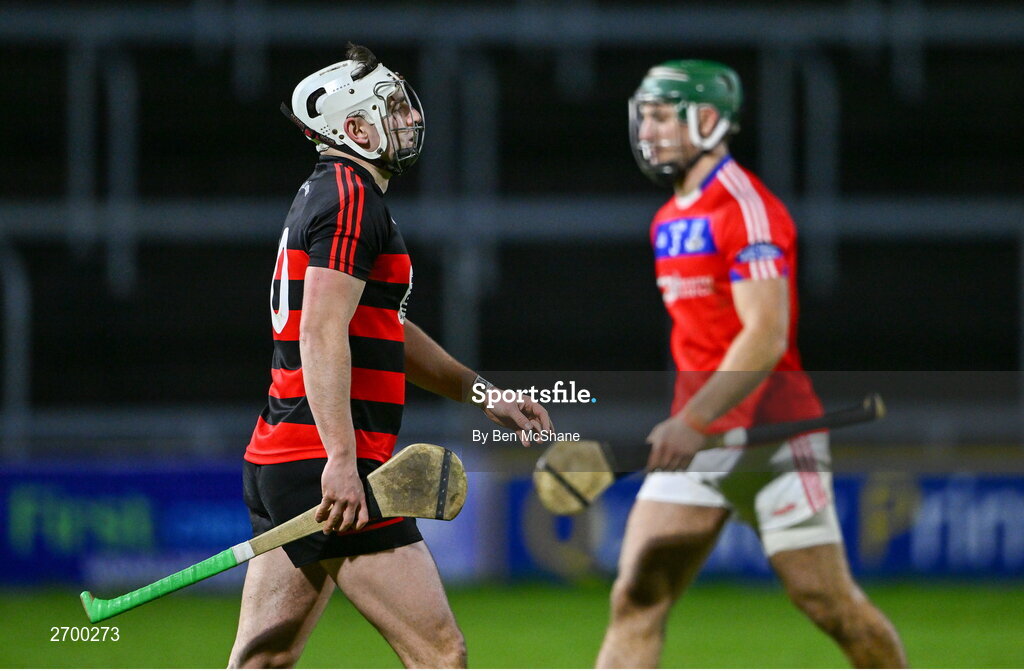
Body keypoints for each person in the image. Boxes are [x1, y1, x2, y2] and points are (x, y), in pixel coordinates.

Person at [229, 44, 551, 669]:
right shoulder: (350, 197)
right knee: (440, 654)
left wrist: (485, 395)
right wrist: (343, 461)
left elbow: (383, 329)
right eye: (393, 108)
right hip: (325, 464)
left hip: (284, 455)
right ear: (354, 129)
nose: (409, 119)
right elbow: (320, 333)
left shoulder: (330, 192)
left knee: (262, 661)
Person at [596, 61, 906, 668]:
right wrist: (694, 424)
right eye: (646, 116)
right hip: (700, 439)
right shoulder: (668, 220)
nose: (648, 131)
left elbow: (765, 335)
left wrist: (693, 419)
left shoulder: (747, 209)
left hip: (775, 438)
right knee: (637, 595)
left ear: (708, 120)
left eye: (662, 116)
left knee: (828, 604)